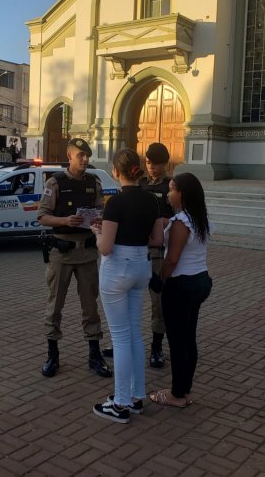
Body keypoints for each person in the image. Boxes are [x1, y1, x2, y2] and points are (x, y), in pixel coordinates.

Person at [91, 148, 164, 424]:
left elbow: (106, 248)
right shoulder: (151, 200)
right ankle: (135, 397)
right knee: (134, 334)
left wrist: (97, 232)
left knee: (121, 338)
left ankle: (120, 403)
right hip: (141, 265)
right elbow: (157, 238)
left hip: (117, 268)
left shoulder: (115, 203)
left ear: (116, 171)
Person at [37, 138, 112, 379]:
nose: (85, 159)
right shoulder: (55, 182)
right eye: (80, 155)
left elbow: (100, 209)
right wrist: (64, 221)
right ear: (69, 155)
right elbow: (42, 216)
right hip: (62, 253)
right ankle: (53, 354)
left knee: (91, 306)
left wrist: (98, 219)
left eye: (87, 155)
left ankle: (94, 354)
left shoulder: (94, 181)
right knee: (55, 305)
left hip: (88, 253)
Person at [102, 142, 173, 368]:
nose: (152, 168)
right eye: (149, 163)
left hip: (155, 251)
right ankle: (122, 342)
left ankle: (156, 346)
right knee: (128, 306)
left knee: (158, 302)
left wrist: (164, 222)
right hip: (136, 248)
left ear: (165, 165)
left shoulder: (169, 187)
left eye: (157, 164)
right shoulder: (139, 185)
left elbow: (179, 220)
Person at [149, 173, 213, 408]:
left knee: (177, 342)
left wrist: (160, 279)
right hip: (199, 281)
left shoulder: (181, 223)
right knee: (188, 338)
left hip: (181, 285)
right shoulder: (197, 217)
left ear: (182, 194)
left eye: (172, 189)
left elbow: (172, 259)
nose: (168, 193)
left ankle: (177, 393)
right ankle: (184, 390)